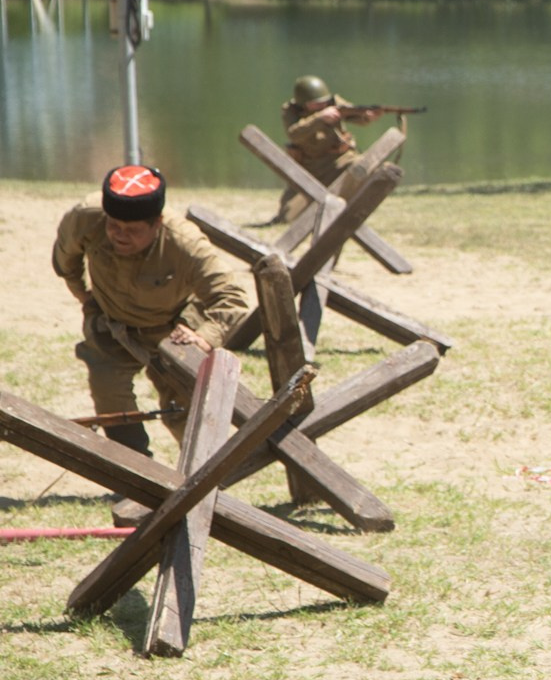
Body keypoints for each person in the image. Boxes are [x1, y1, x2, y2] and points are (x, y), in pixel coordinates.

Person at [51, 165, 253, 459]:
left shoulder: (185, 243)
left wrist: (205, 338)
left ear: (157, 223)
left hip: (172, 330)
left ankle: (205, 476)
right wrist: (82, 293)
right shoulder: (87, 216)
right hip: (112, 324)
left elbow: (232, 299)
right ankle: (134, 470)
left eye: (132, 230)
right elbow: (65, 255)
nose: (120, 235)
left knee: (183, 408)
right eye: (114, 226)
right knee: (109, 393)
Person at [274, 75, 382, 223]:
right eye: (316, 104)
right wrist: (320, 118)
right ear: (303, 103)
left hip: (339, 162)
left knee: (362, 167)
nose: (322, 106)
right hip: (308, 170)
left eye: (324, 102)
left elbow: (353, 115)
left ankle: (344, 211)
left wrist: (366, 117)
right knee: (287, 218)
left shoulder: (335, 104)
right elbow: (294, 134)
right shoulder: (291, 111)